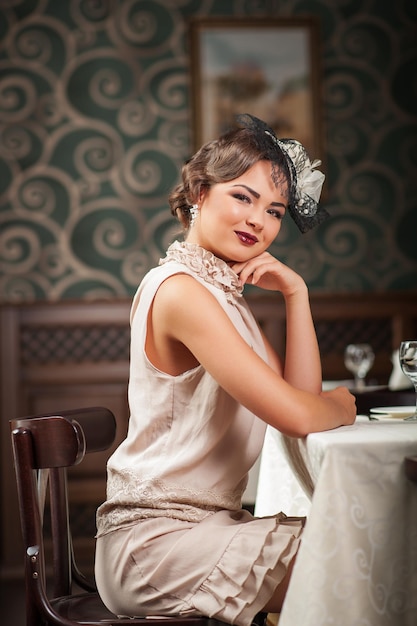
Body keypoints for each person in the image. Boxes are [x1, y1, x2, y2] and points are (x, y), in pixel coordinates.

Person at [94, 114, 356, 625]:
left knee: (366, 544)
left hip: (210, 529)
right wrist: (340, 406)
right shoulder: (181, 291)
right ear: (199, 192)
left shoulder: (222, 295)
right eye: (243, 196)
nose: (259, 219)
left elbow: (296, 399)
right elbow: (302, 415)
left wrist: (295, 294)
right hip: (156, 546)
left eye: (276, 210)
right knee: (355, 559)